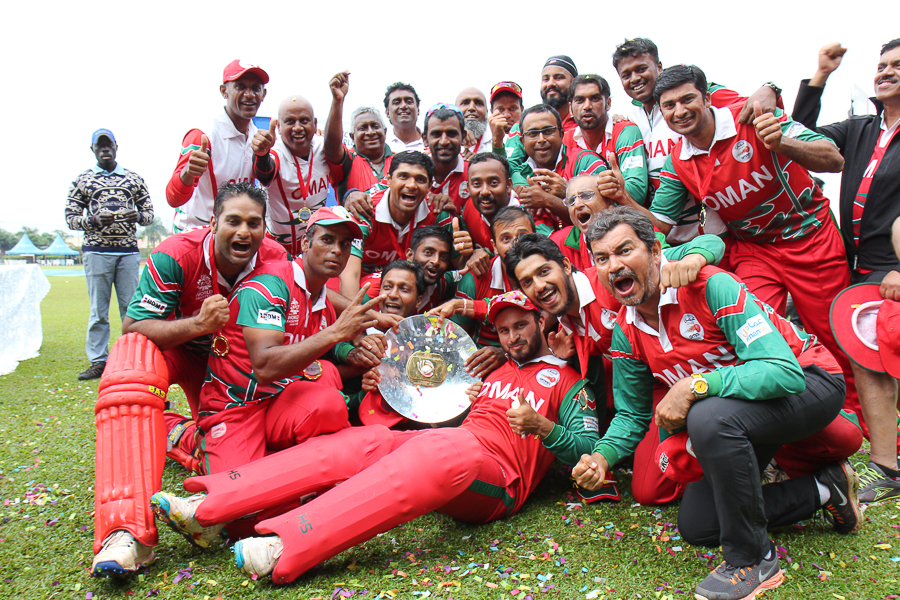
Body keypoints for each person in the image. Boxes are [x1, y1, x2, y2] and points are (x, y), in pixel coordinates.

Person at [150, 290, 600, 585]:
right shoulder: (492, 363)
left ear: (542, 323)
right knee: (366, 441)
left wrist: (543, 428)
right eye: (503, 329)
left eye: (521, 325)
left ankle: (289, 543)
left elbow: (587, 451)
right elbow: (431, 390)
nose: (511, 336)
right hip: (451, 451)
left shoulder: (570, 382)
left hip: (499, 479)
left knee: (446, 447)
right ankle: (210, 505)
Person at [573, 207, 860, 600]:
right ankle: (826, 489)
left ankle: (753, 560)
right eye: (602, 259)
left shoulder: (710, 285)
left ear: (657, 252)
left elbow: (783, 372)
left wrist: (696, 384)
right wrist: (603, 457)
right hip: (740, 414)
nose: (614, 265)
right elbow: (633, 413)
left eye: (625, 251)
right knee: (699, 526)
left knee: (707, 416)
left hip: (811, 381)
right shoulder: (626, 329)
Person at [644, 64, 861, 454]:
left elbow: (833, 159)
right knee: (750, 336)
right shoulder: (678, 161)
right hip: (755, 251)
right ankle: (772, 434)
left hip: (808, 236)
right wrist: (615, 205)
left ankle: (848, 426)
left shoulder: (755, 116)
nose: (679, 111)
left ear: (708, 97)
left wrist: (782, 145)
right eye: (669, 105)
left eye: (687, 99)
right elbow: (655, 226)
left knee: (832, 335)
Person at [91, 182, 285, 577]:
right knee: (129, 357)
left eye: (254, 223)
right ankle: (125, 531)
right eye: (233, 221)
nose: (243, 232)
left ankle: (177, 434)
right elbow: (133, 324)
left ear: (266, 228)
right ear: (213, 222)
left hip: (233, 371)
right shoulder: (177, 254)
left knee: (235, 474)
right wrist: (198, 324)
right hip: (181, 352)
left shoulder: (276, 259)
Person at [193, 206, 377, 484]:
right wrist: (336, 333)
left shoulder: (321, 298)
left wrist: (357, 349)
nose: (337, 250)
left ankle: (271, 453)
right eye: (327, 240)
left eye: (345, 244)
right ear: (305, 242)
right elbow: (265, 366)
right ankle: (186, 439)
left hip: (276, 399)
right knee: (243, 506)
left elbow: (321, 347)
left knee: (330, 401)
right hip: (235, 406)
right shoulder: (269, 285)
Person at [793, 39, 900, 501]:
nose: (886, 72)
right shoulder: (860, 127)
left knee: (878, 359)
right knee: (870, 358)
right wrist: (820, 76)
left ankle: (887, 464)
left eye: (897, 65)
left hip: (891, 265)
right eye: (881, 65)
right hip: (858, 263)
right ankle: (887, 465)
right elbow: (801, 130)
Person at [611, 38, 779, 245]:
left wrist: (770, 88)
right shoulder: (628, 119)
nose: (635, 78)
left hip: (717, 231)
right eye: (626, 75)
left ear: (659, 67)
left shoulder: (696, 92)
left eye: (641, 69)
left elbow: (754, 106)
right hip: (667, 232)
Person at [65, 128, 154, 381]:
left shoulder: (133, 179)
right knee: (98, 310)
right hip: (96, 251)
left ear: (116, 146)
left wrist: (137, 216)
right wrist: (92, 219)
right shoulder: (83, 180)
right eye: (99, 146)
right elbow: (70, 218)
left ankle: (133, 358)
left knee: (131, 309)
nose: (105, 150)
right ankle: (99, 361)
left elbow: (149, 213)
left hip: (126, 252)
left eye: (108, 145)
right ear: (92, 149)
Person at [166, 60, 269, 232]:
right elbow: (172, 198)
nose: (249, 94)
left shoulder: (257, 136)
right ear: (224, 91)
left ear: (263, 94)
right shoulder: (202, 135)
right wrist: (188, 173)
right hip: (196, 233)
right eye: (240, 86)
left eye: (255, 88)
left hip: (232, 236)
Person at [338, 151, 452, 296]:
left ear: (430, 186)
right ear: (389, 179)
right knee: (378, 285)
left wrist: (473, 253)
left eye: (420, 179)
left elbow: (459, 265)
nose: (411, 185)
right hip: (366, 288)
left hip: (413, 286)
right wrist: (355, 315)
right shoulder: (364, 210)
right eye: (403, 176)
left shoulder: (437, 213)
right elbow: (349, 276)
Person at [252, 95, 331, 256]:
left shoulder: (324, 147)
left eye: (304, 121)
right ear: (279, 127)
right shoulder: (275, 151)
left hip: (314, 249)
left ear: (315, 124)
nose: (298, 128)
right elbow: (265, 174)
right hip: (276, 250)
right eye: (290, 121)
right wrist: (261, 155)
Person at [514, 104, 607, 231]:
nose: (541, 139)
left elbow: (603, 219)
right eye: (533, 133)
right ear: (522, 141)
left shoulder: (586, 161)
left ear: (561, 134)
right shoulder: (519, 175)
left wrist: (554, 198)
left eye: (548, 131)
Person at [565, 74, 649, 205]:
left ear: (608, 103)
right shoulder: (565, 140)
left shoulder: (625, 131)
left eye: (595, 99)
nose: (587, 106)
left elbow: (636, 193)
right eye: (580, 100)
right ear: (570, 108)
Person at [324, 72, 394, 204]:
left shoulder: (399, 161)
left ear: (385, 131)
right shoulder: (347, 161)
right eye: (363, 128)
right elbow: (332, 147)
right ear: (352, 136)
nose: (370, 132)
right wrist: (338, 100)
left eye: (375, 126)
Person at [424, 104, 470, 211]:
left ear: (463, 137)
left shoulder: (474, 174)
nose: (444, 141)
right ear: (425, 139)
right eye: (436, 134)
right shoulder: (412, 176)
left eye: (451, 134)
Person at [384, 82, 425, 152]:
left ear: (418, 110)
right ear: (387, 112)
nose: (403, 106)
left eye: (409, 101)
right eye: (396, 103)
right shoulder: (382, 144)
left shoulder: (430, 142)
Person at [488, 81, 525, 157]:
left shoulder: (532, 136)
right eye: (500, 109)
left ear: (522, 109)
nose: (507, 115)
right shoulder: (481, 140)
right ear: (492, 112)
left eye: (512, 108)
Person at [456, 87, 492, 156]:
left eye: (478, 103)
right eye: (465, 103)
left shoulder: (500, 141)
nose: (471, 108)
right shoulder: (444, 140)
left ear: (487, 112)